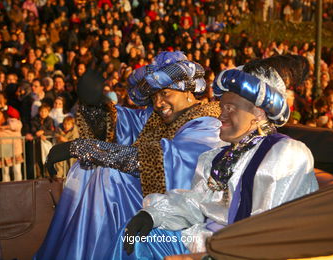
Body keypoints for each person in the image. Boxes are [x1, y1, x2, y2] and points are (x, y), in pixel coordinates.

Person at [116, 54, 319, 259]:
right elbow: (195, 203)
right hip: (204, 243)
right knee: (138, 239)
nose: (220, 115)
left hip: (237, 251)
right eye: (222, 107)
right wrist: (152, 215)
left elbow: (271, 230)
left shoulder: (285, 153)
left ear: (258, 114)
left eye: (229, 108)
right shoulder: (215, 157)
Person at [35, 51, 222, 259]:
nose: (158, 103)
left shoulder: (208, 124)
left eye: (165, 93)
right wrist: (95, 105)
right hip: (147, 202)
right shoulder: (156, 118)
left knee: (108, 177)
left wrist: (84, 147)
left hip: (179, 212)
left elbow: (167, 162)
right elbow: (124, 124)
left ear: (187, 91)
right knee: (87, 168)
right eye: (154, 96)